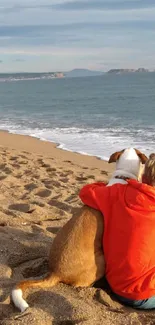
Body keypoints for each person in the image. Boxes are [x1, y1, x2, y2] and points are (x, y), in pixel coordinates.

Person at [79, 154, 155, 309]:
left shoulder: (116, 192)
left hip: (115, 284)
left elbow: (86, 191)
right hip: (143, 295)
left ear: (144, 175)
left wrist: (110, 183)